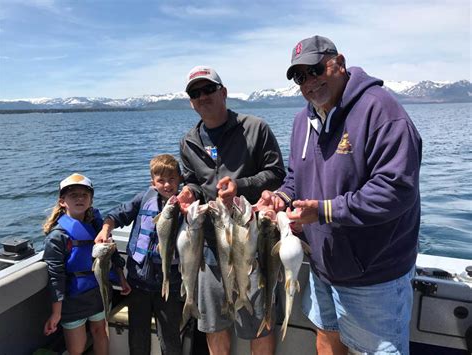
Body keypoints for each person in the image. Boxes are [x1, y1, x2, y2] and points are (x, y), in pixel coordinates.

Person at [257, 35, 422, 355]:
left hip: (374, 275)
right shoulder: (301, 121)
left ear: (339, 63)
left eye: (315, 70)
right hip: (323, 265)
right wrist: (281, 197)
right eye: (299, 76)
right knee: (327, 338)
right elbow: (295, 178)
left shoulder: (381, 110)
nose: (308, 82)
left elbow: (395, 189)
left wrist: (324, 212)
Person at [177, 65, 286, 355]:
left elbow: (276, 173)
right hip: (208, 246)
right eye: (195, 93)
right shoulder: (189, 141)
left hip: (251, 243)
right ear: (190, 102)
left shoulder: (255, 128)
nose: (202, 97)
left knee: (258, 322)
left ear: (223, 92)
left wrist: (240, 186)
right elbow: (194, 183)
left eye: (208, 89)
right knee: (214, 325)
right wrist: (188, 192)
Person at [95, 154, 184, 355]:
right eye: (161, 180)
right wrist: (105, 229)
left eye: (172, 179)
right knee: (137, 334)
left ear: (180, 179)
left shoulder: (184, 203)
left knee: (170, 336)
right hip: (138, 281)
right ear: (152, 181)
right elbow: (118, 214)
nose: (167, 185)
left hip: (168, 283)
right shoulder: (144, 198)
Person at [43, 173, 131, 355]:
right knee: (77, 347)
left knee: (101, 333)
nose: (79, 198)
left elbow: (113, 256)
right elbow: (56, 276)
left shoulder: (98, 226)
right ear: (62, 202)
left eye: (84, 194)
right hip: (72, 301)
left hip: (98, 294)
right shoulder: (57, 237)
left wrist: (122, 279)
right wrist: (56, 313)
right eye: (73, 195)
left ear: (91, 200)